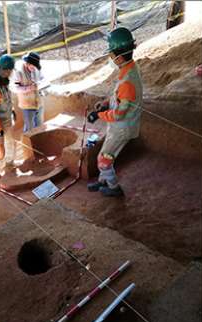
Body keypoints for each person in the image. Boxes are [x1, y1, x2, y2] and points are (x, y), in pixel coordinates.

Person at [86, 27, 143, 197]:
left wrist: (98, 115)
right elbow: (120, 98)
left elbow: (119, 113)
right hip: (119, 125)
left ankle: (113, 186)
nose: (109, 57)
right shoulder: (129, 69)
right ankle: (103, 180)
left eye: (110, 53)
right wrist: (105, 103)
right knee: (106, 154)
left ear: (118, 56)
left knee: (104, 160)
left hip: (122, 127)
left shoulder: (127, 81)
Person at [12, 51, 44, 133]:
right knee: (29, 128)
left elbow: (42, 78)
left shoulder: (36, 69)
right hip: (27, 105)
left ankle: (39, 143)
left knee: (40, 124)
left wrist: (41, 84)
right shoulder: (18, 72)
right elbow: (16, 88)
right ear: (27, 63)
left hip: (38, 102)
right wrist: (29, 88)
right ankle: (27, 144)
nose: (34, 69)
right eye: (33, 66)